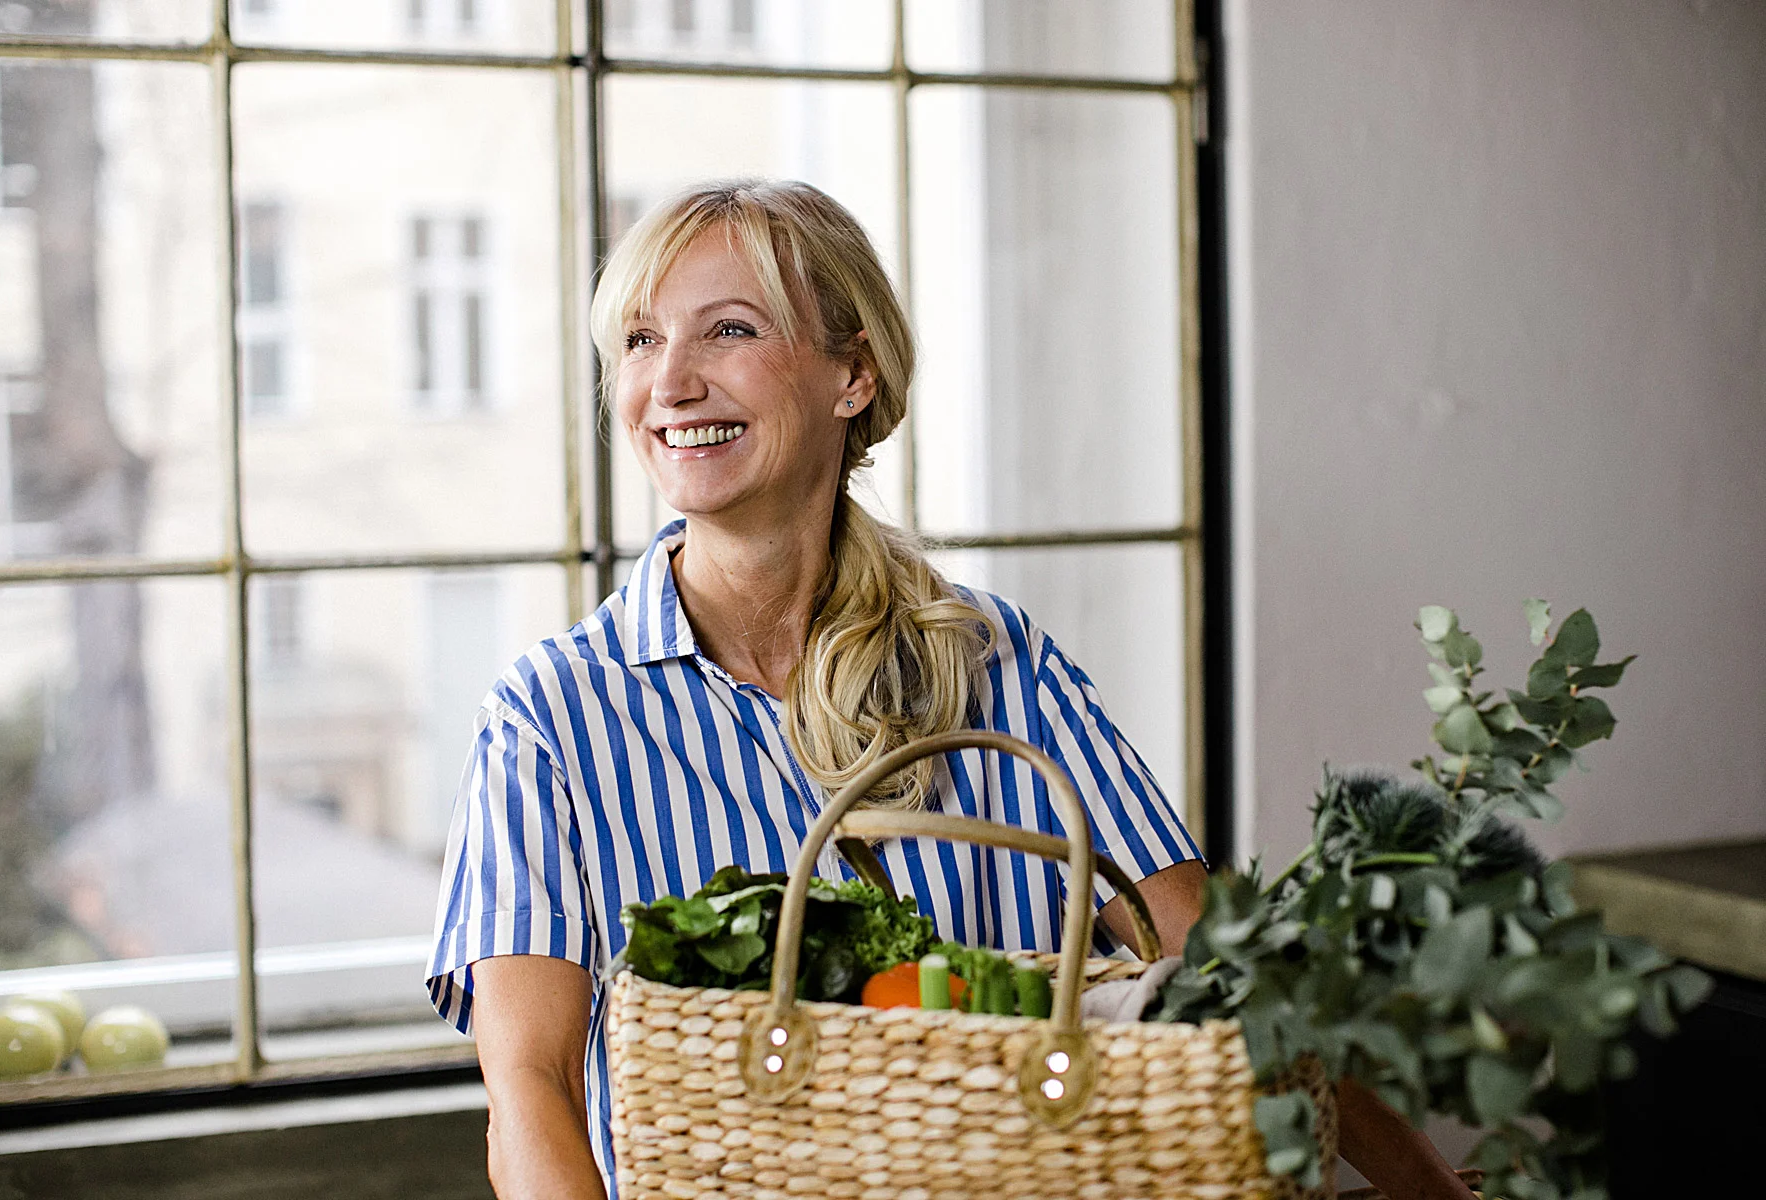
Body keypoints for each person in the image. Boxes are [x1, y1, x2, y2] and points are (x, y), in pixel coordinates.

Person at [426, 179, 1472, 1200]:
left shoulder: (995, 661)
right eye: (641, 342)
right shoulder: (553, 720)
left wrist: (1432, 1192)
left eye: (731, 331)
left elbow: (1228, 978)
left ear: (855, 375)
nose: (673, 384)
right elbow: (533, 1088)